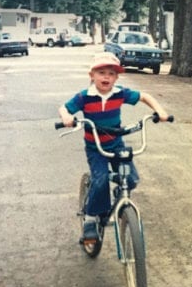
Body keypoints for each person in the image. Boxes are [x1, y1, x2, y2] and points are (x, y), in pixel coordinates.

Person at [58, 52, 170, 242]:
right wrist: (67, 117)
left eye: (111, 73)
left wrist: (160, 111)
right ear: (92, 75)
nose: (106, 77)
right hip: (96, 147)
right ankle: (91, 219)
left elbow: (144, 96)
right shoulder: (84, 97)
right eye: (101, 73)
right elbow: (64, 108)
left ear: (116, 77)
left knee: (131, 179)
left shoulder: (119, 93)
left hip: (116, 144)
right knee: (100, 180)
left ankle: (120, 193)